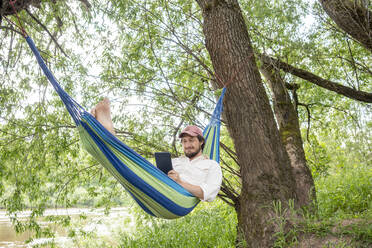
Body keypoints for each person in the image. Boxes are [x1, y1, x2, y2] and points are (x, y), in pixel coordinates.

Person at [91, 98, 222, 202]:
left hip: (176, 198)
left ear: (201, 142)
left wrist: (179, 181)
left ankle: (107, 133)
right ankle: (106, 136)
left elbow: (208, 194)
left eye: (192, 140)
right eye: (184, 141)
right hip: (158, 187)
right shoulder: (175, 162)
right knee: (136, 166)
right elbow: (150, 174)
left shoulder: (211, 165)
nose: (187, 145)